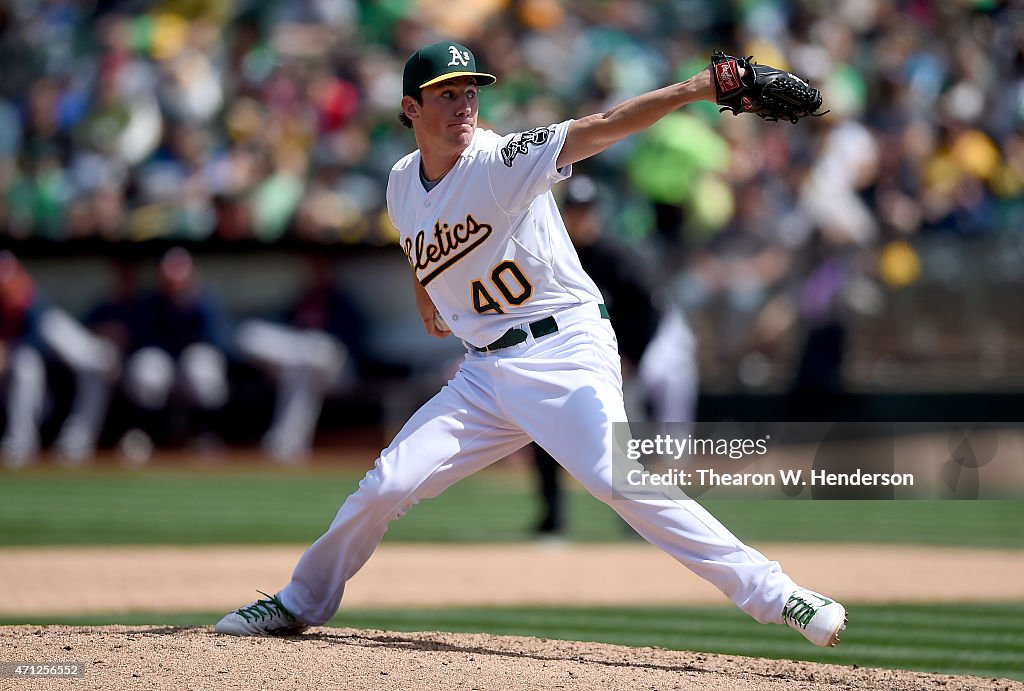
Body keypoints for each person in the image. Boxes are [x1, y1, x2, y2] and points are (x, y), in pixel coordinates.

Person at [215, 41, 845, 648]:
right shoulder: (402, 181)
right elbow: (418, 240)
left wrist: (697, 89)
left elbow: (602, 126)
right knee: (385, 485)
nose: (464, 105)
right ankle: (300, 602)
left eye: (471, 93)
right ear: (411, 109)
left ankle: (780, 594)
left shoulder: (500, 160)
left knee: (621, 483)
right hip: (484, 374)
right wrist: (425, 295)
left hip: (564, 348)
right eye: (447, 95)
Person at [529, 175, 699, 536]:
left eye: (586, 211)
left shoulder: (615, 257)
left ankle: (634, 521)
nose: (581, 218)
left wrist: (631, 357)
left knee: (622, 437)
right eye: (574, 210)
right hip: (563, 360)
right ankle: (552, 519)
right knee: (543, 433)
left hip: (615, 361)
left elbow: (651, 309)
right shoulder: (552, 257)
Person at [235, 255, 365, 463]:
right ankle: (287, 446)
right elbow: (283, 324)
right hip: (302, 362)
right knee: (256, 337)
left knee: (320, 350)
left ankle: (284, 443)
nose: (317, 275)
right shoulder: (303, 299)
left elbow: (352, 342)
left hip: (336, 369)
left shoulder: (342, 303)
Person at [0, 251, 119, 468]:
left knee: (92, 366)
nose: (9, 292)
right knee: (26, 366)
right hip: (23, 386)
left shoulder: (35, 305)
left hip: (51, 379)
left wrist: (8, 349)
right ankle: (19, 444)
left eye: (11, 283)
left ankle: (75, 441)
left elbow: (36, 338)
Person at [120, 247, 232, 452]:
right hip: (165, 370)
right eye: (170, 273)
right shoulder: (151, 303)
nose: (175, 281)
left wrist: (189, 307)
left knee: (201, 366)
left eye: (181, 272)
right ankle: (144, 434)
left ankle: (206, 434)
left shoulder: (206, 301)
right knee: (147, 367)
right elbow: (139, 343)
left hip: (190, 373)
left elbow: (220, 345)